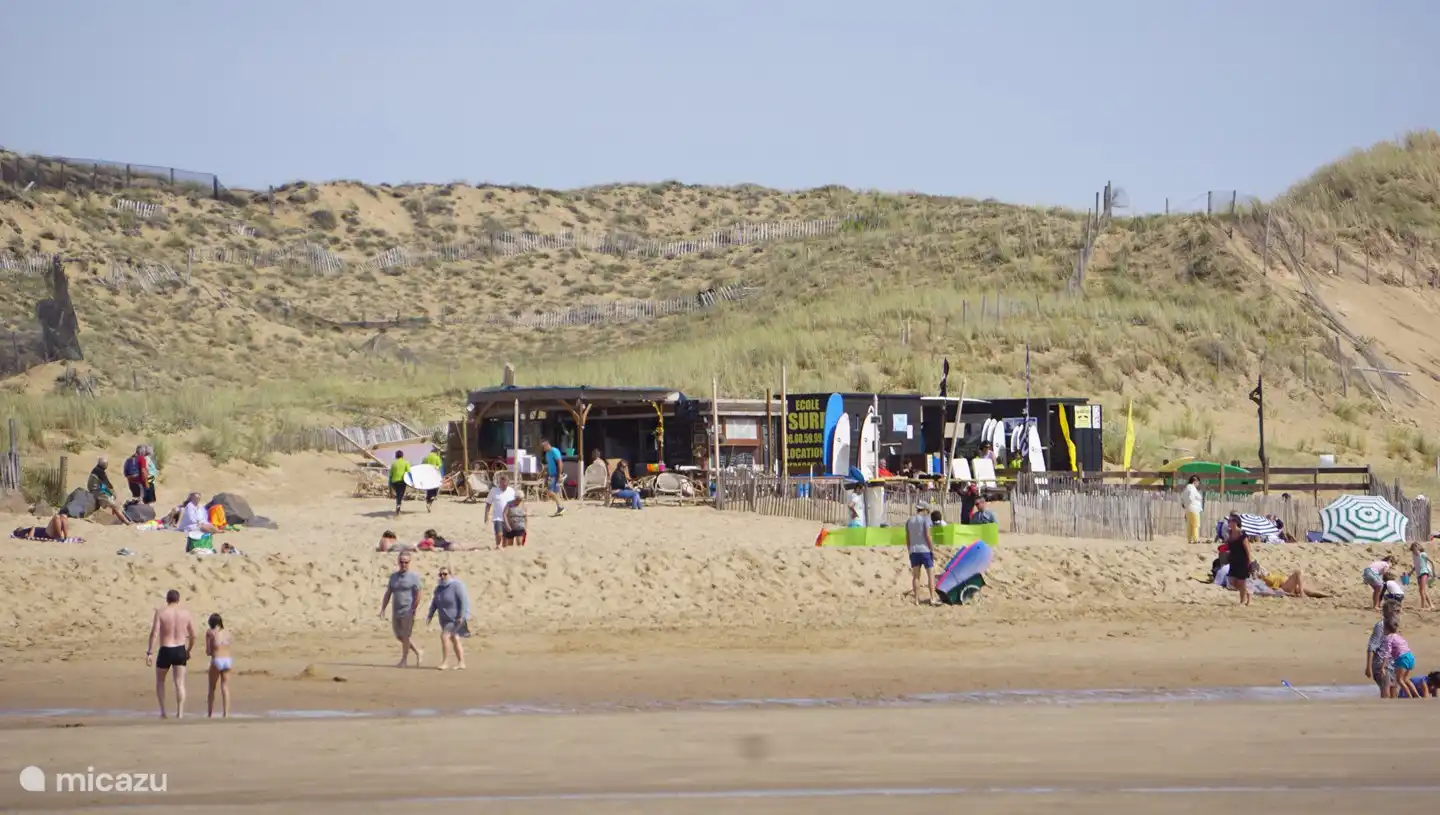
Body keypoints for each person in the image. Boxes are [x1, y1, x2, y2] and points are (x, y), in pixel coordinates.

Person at [145, 589, 196, 719]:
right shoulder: (185, 613)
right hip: (180, 649)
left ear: (167, 599)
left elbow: (154, 633)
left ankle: (163, 712)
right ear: (178, 600)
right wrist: (189, 650)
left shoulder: (161, 612)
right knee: (180, 683)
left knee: (160, 681)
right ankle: (180, 713)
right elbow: (193, 635)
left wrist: (150, 652)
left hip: (166, 649)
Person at [379, 552, 423, 667]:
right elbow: (388, 593)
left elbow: (418, 593)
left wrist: (413, 608)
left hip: (407, 610)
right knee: (399, 635)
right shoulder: (394, 577)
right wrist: (383, 608)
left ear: (409, 562)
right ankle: (418, 651)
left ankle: (404, 660)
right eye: (401, 562)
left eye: (406, 562)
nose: (403, 564)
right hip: (396, 610)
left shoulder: (414, 577)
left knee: (405, 635)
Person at [426, 566, 471, 670]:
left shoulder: (457, 586)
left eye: (445, 574)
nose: (442, 576)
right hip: (444, 619)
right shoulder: (438, 589)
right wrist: (430, 615)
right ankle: (461, 662)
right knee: (454, 638)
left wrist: (461, 615)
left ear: (450, 575)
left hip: (455, 618)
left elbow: (463, 601)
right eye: (440, 574)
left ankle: (445, 662)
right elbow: (434, 603)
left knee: (444, 636)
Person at [905, 502, 938, 606]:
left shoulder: (909, 520)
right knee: (930, 575)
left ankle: (916, 600)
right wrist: (932, 549)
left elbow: (908, 537)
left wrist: (909, 550)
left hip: (914, 550)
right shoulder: (925, 520)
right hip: (925, 550)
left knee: (916, 576)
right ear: (924, 510)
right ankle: (932, 598)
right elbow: (927, 536)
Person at [1366, 600, 1401, 697]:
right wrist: (1368, 667)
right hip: (1381, 663)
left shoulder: (1393, 625)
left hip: (1392, 664)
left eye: (1399, 611)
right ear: (1389, 612)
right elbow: (1371, 646)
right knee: (1386, 691)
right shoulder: (1380, 626)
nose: (1398, 615)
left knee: (1394, 693)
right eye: (1396, 611)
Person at [205, 613, 233, 718]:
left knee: (212, 688)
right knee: (225, 687)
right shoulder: (227, 633)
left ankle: (210, 714)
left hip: (217, 659)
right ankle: (226, 713)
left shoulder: (210, 632)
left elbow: (208, 651)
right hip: (227, 660)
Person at [1381, 618, 1418, 699]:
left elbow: (1387, 652)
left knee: (1399, 680)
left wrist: (1383, 666)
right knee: (1405, 679)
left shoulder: (1389, 638)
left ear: (1386, 629)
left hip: (1402, 658)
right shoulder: (1399, 636)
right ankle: (1417, 696)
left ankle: (1410, 697)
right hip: (1410, 656)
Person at [86, 457, 129, 524]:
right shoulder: (99, 471)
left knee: (107, 503)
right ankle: (126, 522)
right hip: (96, 490)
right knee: (113, 505)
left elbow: (103, 484)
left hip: (96, 489)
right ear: (104, 465)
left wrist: (110, 492)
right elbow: (107, 483)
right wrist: (112, 491)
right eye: (106, 464)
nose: (107, 465)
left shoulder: (97, 469)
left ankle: (118, 519)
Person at [1224, 515, 1251, 606]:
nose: (1228, 522)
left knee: (1241, 582)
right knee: (1232, 582)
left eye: (1230, 521)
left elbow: (1248, 549)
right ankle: (1247, 592)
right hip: (1233, 560)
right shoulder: (1230, 533)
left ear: (1235, 522)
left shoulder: (1242, 534)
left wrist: (1249, 562)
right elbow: (1229, 545)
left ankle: (1242, 602)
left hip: (1242, 561)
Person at [484, 474, 515, 548]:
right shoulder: (494, 491)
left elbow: (515, 504)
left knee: (506, 539)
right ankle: (498, 545)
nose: (503, 486)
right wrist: (486, 516)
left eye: (505, 484)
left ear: (507, 483)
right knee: (499, 534)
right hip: (498, 518)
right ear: (499, 483)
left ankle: (503, 551)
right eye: (502, 484)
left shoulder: (512, 491)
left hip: (508, 518)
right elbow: (488, 504)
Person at [540, 440, 565, 517]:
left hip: (556, 474)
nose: (543, 449)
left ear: (547, 445)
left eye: (543, 447)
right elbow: (549, 465)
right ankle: (559, 508)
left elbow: (560, 462)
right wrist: (546, 474)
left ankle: (561, 507)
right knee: (556, 493)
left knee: (549, 492)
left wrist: (560, 474)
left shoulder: (554, 451)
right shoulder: (547, 454)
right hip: (551, 475)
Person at [1180, 475, 1203, 544]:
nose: (1198, 484)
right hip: (1194, 508)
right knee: (1195, 524)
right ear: (1195, 481)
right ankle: (1196, 539)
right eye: (1198, 482)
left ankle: (1190, 539)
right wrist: (1190, 504)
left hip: (1188, 509)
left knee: (1189, 525)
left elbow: (1182, 498)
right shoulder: (1192, 488)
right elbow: (1191, 498)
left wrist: (1185, 506)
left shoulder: (1186, 488)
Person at [1411, 542, 1434, 610]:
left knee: (1421, 590)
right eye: (1413, 550)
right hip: (1419, 574)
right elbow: (1416, 566)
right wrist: (1410, 572)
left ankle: (1423, 606)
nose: (1415, 551)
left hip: (1424, 572)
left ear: (1419, 548)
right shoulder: (1414, 557)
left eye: (1415, 549)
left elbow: (1431, 561)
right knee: (1423, 591)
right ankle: (1431, 605)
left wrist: (1433, 572)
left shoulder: (1423, 554)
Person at [389, 451, 410, 519]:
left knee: (398, 494)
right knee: (400, 495)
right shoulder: (405, 463)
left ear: (396, 456)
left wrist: (389, 483)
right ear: (402, 456)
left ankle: (398, 506)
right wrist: (412, 482)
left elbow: (390, 475)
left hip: (394, 482)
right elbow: (409, 473)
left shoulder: (393, 463)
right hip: (402, 482)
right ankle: (398, 507)